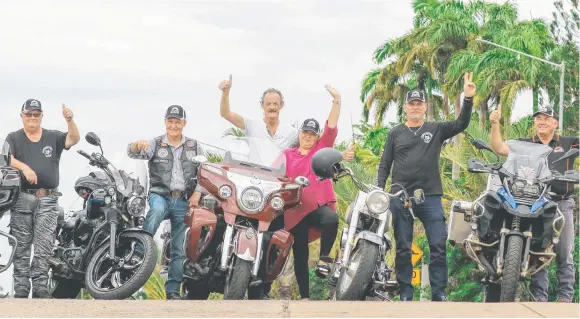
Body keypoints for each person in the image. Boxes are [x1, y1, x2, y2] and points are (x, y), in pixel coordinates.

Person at [376, 73, 476, 302]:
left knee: (438, 243)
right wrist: (380, 190)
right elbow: (384, 164)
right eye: (411, 103)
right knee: (403, 246)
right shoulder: (395, 133)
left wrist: (468, 98)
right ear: (406, 108)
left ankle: (439, 292)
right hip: (400, 196)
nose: (415, 107)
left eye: (419, 103)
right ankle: (405, 293)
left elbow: (462, 123)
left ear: (424, 107)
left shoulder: (437, 128)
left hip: (429, 196)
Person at [489, 105, 578, 303]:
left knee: (563, 252)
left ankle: (565, 297)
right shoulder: (525, 144)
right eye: (539, 118)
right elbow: (499, 148)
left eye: (547, 118)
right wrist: (495, 124)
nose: (542, 121)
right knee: (537, 249)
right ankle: (540, 298)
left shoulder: (569, 143)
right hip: (534, 201)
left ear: (555, 123)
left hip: (561, 202)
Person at [261, 85, 342, 301]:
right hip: (294, 211)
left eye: (312, 134)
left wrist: (337, 100)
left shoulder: (320, 151)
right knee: (300, 254)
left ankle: (324, 258)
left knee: (331, 219)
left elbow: (331, 127)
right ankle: (304, 297)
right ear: (300, 134)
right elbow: (273, 176)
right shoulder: (288, 154)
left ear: (317, 137)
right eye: (305, 133)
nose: (308, 136)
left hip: (315, 206)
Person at [127, 105, 205, 300]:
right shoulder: (155, 143)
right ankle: (139, 249)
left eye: (177, 122)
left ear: (184, 124)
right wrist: (137, 144)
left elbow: (205, 172)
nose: (174, 125)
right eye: (170, 121)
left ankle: (172, 291)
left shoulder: (194, 146)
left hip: (184, 200)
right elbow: (132, 153)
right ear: (165, 122)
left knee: (179, 247)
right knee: (157, 210)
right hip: (160, 194)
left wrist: (197, 193)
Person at [6, 99, 80, 298]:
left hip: (48, 198)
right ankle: (21, 289)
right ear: (22, 116)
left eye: (36, 114)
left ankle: (40, 288)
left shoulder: (52, 136)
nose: (32, 118)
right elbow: (5, 156)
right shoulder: (13, 138)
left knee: (44, 244)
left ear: (41, 116)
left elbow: (73, 139)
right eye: (29, 114)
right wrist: (24, 167)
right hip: (22, 197)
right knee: (21, 245)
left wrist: (70, 120)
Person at [218, 74, 355, 165]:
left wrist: (340, 154)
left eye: (275, 104)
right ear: (262, 106)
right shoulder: (251, 124)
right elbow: (226, 114)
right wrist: (226, 92)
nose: (272, 107)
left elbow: (315, 147)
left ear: (281, 105)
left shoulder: (292, 132)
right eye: (268, 104)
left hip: (278, 182)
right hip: (254, 177)